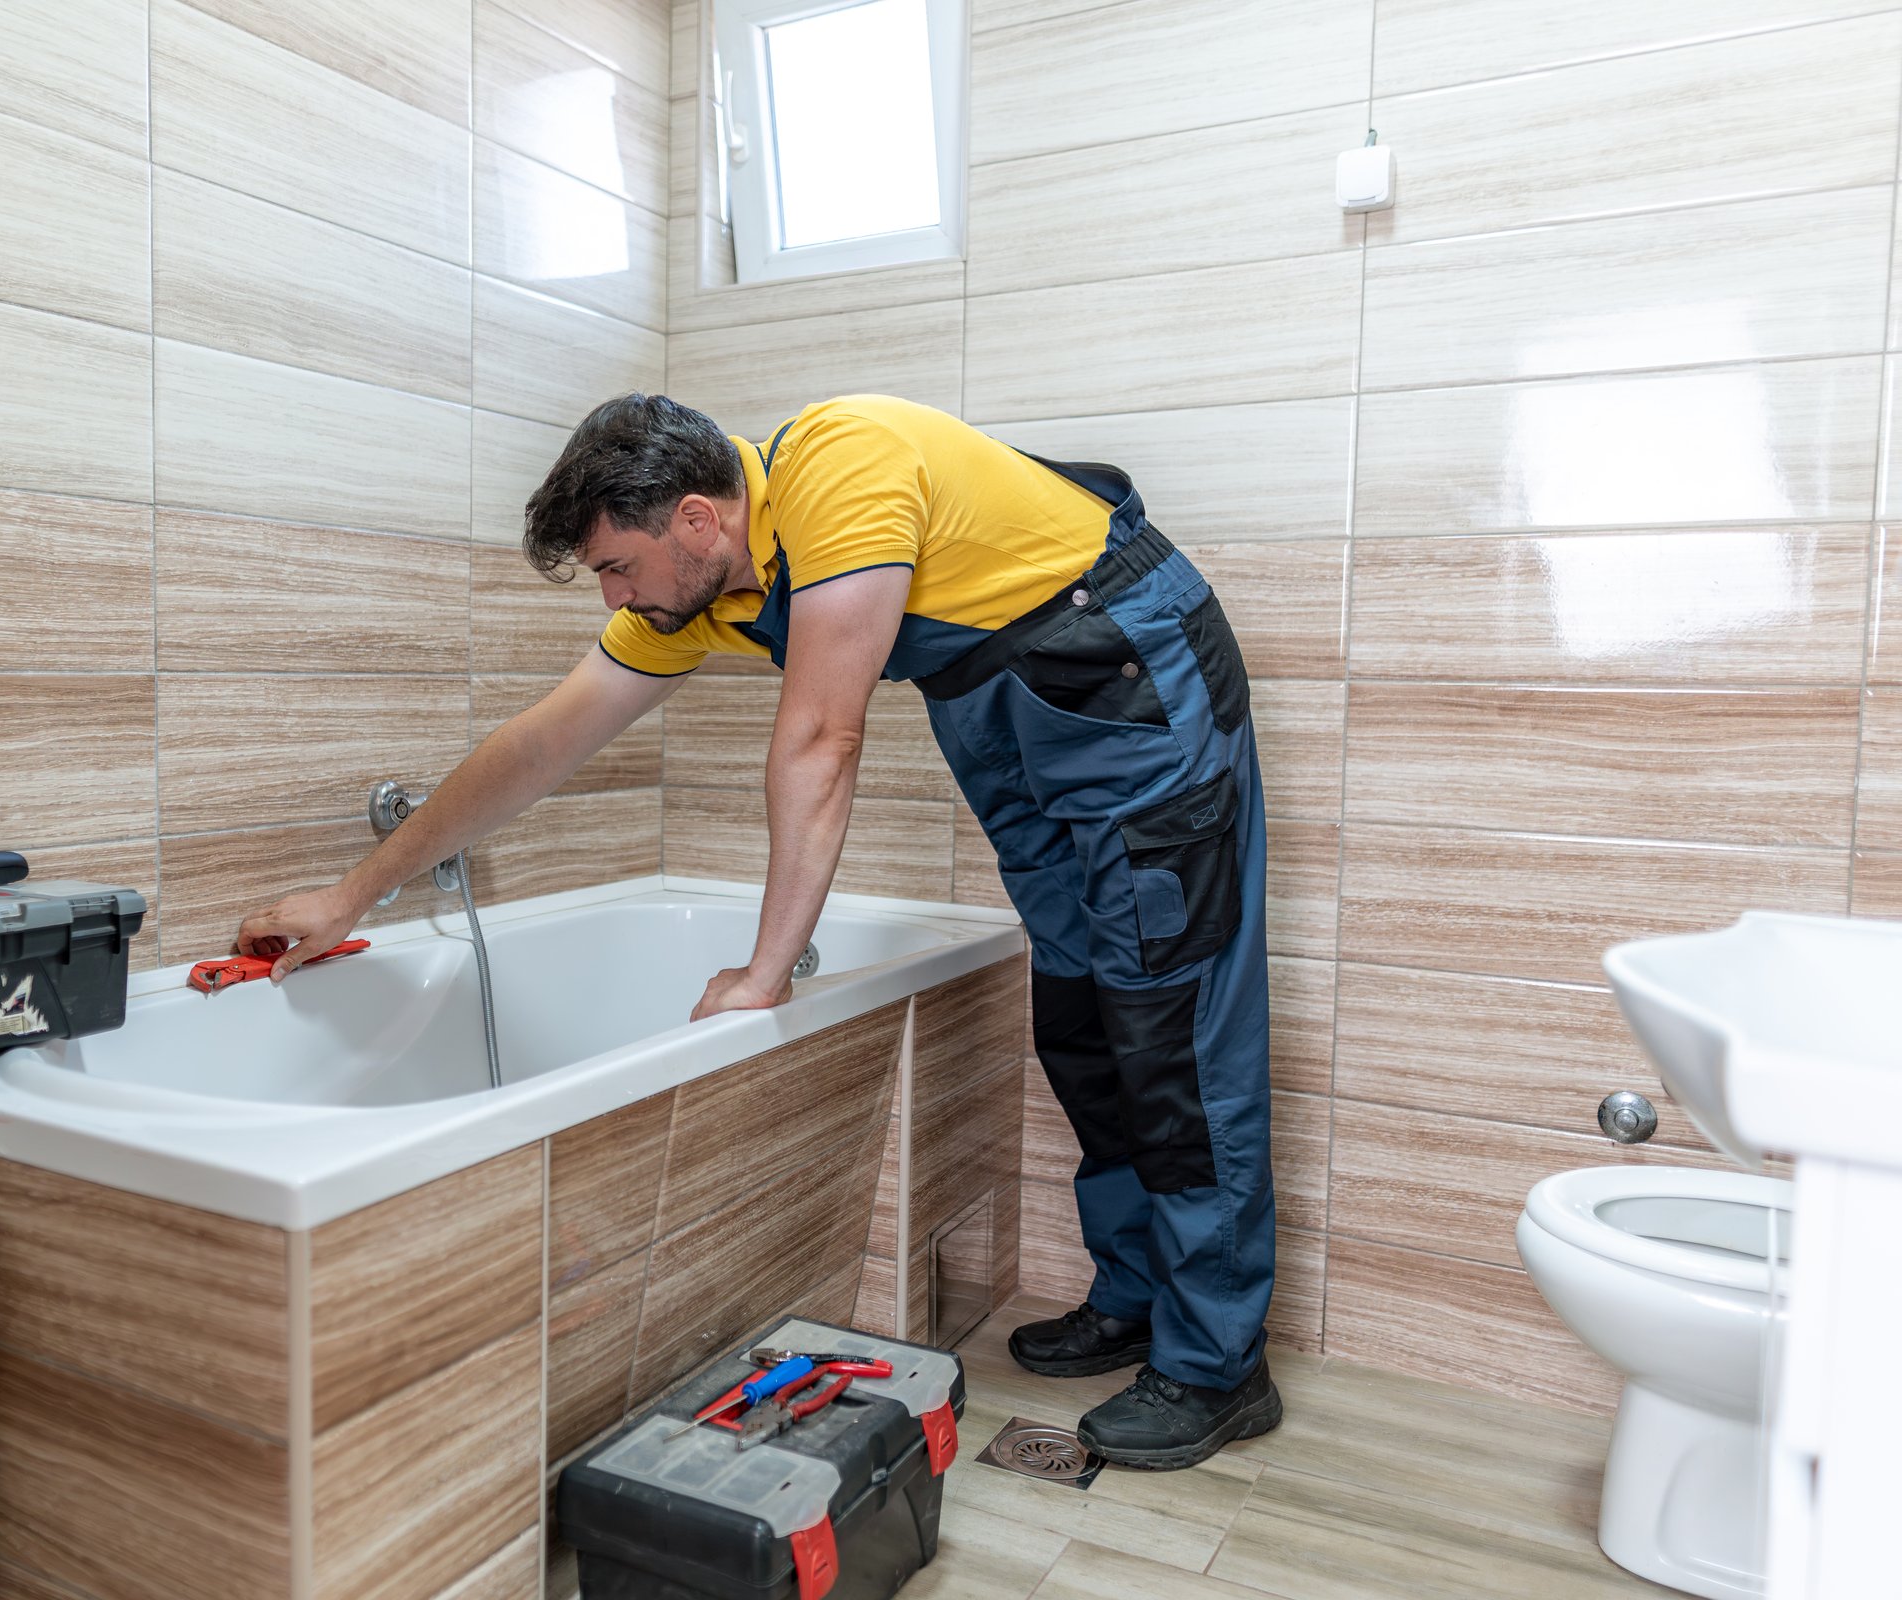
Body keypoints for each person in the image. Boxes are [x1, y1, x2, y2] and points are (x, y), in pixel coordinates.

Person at [237, 392, 1280, 1468]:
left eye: (615, 566)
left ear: (695, 520)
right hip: (1007, 707)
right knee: (1082, 1015)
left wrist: (765, 971)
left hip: (1120, 673)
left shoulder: (844, 467)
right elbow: (538, 748)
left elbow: (823, 736)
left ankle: (1217, 1362)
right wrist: (354, 894)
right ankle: (1139, 1296)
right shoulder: (696, 592)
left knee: (1171, 1027)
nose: (614, 594)